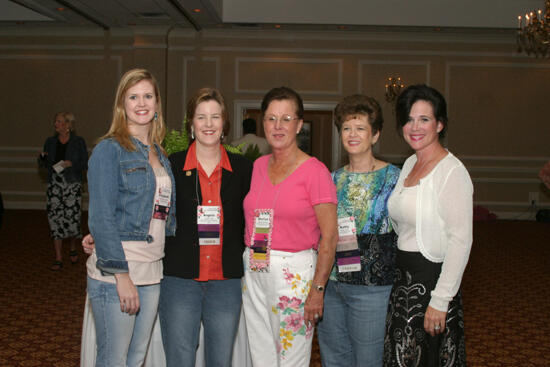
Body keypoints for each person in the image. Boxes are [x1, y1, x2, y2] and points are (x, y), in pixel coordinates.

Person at [242, 86, 338, 367]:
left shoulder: (315, 172)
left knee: (290, 358)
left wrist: (317, 290)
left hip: (294, 274)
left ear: (298, 124)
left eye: (286, 119)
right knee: (260, 356)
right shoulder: (258, 166)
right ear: (263, 124)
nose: (278, 126)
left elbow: (330, 238)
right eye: (271, 118)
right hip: (255, 268)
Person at [86, 68, 176, 367]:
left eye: (148, 96)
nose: (141, 103)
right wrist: (121, 276)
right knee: (114, 359)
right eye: (133, 97)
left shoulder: (159, 153)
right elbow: (101, 217)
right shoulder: (109, 149)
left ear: (157, 103)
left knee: (137, 358)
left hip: (152, 269)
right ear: (121, 105)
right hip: (119, 271)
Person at [158, 87, 252, 367]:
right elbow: (149, 212)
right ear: (191, 124)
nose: (208, 124)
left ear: (225, 123)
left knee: (220, 361)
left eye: (215, 117)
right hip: (179, 280)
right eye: (201, 117)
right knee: (179, 359)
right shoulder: (171, 167)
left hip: (226, 282)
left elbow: (261, 214)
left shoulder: (245, 169)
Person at [383, 84, 473, 366]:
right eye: (409, 119)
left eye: (424, 119)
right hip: (403, 281)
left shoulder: (452, 171)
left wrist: (441, 300)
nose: (415, 126)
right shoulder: (410, 163)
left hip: (432, 281)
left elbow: (461, 240)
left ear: (440, 124)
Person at [316, 95, 400, 367]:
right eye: (346, 128)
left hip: (372, 287)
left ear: (375, 135)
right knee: (334, 358)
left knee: (368, 360)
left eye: (360, 128)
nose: (352, 134)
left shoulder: (395, 178)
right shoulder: (331, 179)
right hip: (333, 284)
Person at [39, 112, 88, 271]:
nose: (56, 124)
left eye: (59, 122)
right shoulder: (50, 142)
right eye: (55, 122)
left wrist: (70, 164)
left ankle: (73, 247)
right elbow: (44, 165)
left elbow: (84, 164)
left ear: (68, 125)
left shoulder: (78, 142)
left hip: (72, 185)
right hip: (54, 185)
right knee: (55, 219)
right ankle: (58, 257)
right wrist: (42, 158)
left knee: (72, 219)